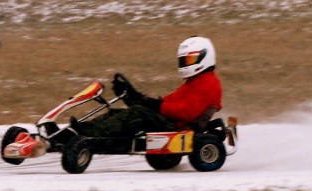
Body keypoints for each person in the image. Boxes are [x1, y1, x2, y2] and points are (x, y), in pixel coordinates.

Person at [71, 36, 223, 153]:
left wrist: (152, 105)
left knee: (137, 113)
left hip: (178, 126)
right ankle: (79, 130)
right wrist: (138, 98)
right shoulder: (196, 81)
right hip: (172, 121)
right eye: (184, 60)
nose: (185, 64)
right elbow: (169, 101)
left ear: (204, 57)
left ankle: (87, 136)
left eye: (189, 60)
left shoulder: (208, 83)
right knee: (118, 113)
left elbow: (186, 111)